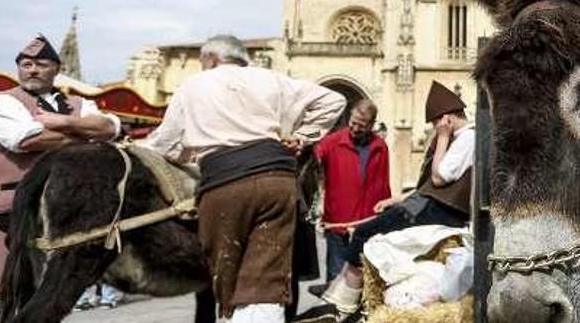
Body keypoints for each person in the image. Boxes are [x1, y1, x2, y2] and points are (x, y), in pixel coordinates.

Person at [136, 35, 345, 323]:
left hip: (225, 182)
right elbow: (334, 100)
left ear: (210, 59)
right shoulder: (272, 79)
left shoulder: (195, 85)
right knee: (267, 277)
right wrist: (302, 137)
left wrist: (177, 153)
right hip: (277, 181)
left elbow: (165, 144)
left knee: (227, 274)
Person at [0, 35, 121, 322]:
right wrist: (85, 136)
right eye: (26, 64)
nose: (32, 70)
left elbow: (111, 128)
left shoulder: (78, 104)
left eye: (41, 64)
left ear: (56, 69)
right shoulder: (0, 102)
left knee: (47, 297)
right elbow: (25, 139)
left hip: (64, 213)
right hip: (12, 209)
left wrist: (64, 122)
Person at [298, 81, 473, 322]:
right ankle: (339, 292)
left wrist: (442, 138)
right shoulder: (460, 138)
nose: (435, 129)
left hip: (433, 210)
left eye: (436, 123)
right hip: (421, 204)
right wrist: (395, 200)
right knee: (364, 234)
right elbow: (428, 186)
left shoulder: (465, 139)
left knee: (363, 235)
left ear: (447, 119)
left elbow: (439, 177)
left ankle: (343, 301)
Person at [308, 99, 390, 298]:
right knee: (336, 283)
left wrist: (385, 218)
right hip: (338, 226)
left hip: (366, 226)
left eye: (361, 126)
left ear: (371, 126)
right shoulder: (332, 142)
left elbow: (383, 185)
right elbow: (314, 158)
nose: (354, 128)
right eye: (352, 123)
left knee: (363, 284)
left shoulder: (380, 147)